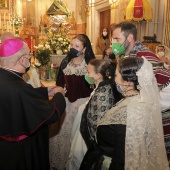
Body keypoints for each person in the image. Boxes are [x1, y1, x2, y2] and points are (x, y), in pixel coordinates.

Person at [80, 57, 169, 170]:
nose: (114, 79)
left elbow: (122, 158)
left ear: (127, 83)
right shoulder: (138, 100)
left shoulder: (130, 112)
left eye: (116, 75)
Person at [0, 38, 66, 170]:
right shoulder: (19, 87)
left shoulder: (7, 78)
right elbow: (51, 114)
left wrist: (44, 91)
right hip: (19, 152)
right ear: (22, 60)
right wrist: (59, 95)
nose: (30, 58)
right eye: (29, 55)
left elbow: (18, 97)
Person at [111, 21, 170, 162]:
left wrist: (149, 106)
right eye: (113, 39)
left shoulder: (144, 57)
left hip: (159, 120)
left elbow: (168, 83)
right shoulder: (128, 55)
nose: (113, 43)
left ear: (130, 38)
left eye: (117, 39)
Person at [49, 34, 95, 170]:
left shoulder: (90, 64)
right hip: (67, 105)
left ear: (85, 49)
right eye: (71, 45)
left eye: (77, 46)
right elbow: (59, 83)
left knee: (78, 138)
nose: (72, 48)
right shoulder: (66, 62)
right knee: (62, 135)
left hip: (83, 105)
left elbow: (95, 85)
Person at [66, 59, 122, 170]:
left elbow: (97, 121)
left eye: (88, 72)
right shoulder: (100, 87)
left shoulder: (103, 92)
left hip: (93, 140)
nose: (86, 75)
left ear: (98, 75)